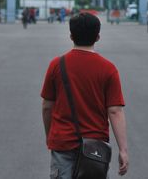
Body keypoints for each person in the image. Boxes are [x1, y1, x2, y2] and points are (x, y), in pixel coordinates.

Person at [41, 13, 129, 178]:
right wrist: (123, 150)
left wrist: (50, 136)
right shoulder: (108, 69)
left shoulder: (56, 65)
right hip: (95, 147)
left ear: (71, 36)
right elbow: (115, 111)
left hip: (62, 142)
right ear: (97, 37)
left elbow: (47, 107)